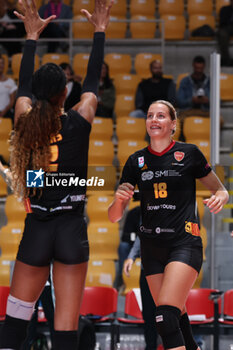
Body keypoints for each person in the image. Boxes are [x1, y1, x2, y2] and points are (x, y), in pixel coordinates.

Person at [0, 0, 112, 349]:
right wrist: (99, 32)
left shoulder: (23, 117)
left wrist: (31, 37)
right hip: (70, 229)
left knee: (16, 321)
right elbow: (93, 82)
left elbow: (23, 90)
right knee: (65, 327)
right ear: (66, 92)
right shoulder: (81, 118)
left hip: (39, 228)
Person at [108, 99, 229, 350]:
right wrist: (119, 201)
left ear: (173, 124)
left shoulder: (190, 153)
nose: (154, 120)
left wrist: (220, 197)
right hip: (152, 249)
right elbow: (113, 217)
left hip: (184, 242)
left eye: (161, 116)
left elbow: (220, 189)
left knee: (165, 317)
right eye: (150, 115)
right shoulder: (135, 161)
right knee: (178, 320)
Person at [124, 236, 158, 350]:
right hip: (146, 270)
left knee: (165, 313)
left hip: (165, 272)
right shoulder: (146, 219)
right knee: (148, 314)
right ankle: (150, 346)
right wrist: (131, 258)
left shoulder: (172, 218)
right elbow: (140, 238)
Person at [114, 203, 140, 291]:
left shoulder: (154, 213)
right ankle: (122, 277)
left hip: (149, 246)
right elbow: (125, 236)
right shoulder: (134, 213)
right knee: (123, 246)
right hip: (133, 245)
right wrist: (135, 238)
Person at [0, 53, 17, 122]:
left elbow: (12, 100)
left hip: (7, 112)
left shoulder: (11, 82)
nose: (0, 65)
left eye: (2, 63)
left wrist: (4, 111)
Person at [217, 0, 233, 66]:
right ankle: (226, 59)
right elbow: (222, 23)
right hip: (227, 27)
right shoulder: (224, 9)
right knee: (222, 34)